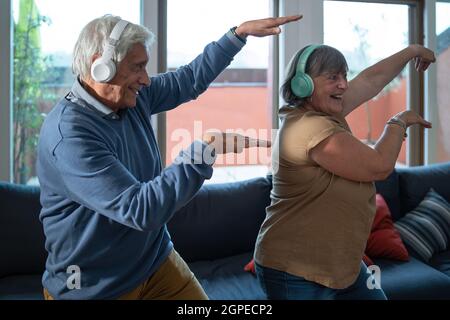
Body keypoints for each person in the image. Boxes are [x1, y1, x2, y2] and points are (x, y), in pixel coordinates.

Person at [37, 14, 302, 300]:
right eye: (137, 67)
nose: (146, 79)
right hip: (92, 286)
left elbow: (187, 80)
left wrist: (236, 36)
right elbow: (140, 209)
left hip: (154, 262)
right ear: (102, 65)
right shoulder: (69, 136)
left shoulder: (133, 98)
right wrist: (204, 151)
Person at [254, 43, 435, 300]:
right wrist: (398, 122)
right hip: (295, 269)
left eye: (344, 76)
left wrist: (412, 51)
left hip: (341, 266)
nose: (344, 85)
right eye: (333, 78)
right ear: (302, 84)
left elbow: (371, 80)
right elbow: (379, 165)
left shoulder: (324, 110)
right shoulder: (308, 128)